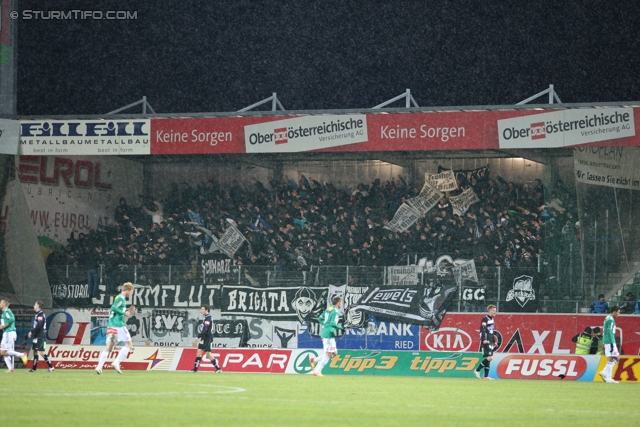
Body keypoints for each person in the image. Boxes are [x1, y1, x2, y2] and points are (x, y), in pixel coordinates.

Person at [95, 282, 136, 375]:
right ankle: (116, 362)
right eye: (131, 292)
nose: (131, 294)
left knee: (109, 347)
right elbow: (113, 308)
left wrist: (128, 311)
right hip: (118, 326)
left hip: (111, 326)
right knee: (129, 345)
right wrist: (124, 313)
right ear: (128, 290)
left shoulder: (119, 298)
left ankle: (99, 367)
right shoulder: (121, 298)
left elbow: (118, 310)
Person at [310, 295, 343, 377]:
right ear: (338, 303)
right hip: (328, 334)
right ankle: (317, 371)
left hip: (326, 332)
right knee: (328, 354)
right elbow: (332, 323)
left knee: (334, 353)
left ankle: (314, 360)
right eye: (341, 302)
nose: (341, 304)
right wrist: (340, 327)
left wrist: (325, 325)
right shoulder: (335, 312)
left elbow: (320, 318)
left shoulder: (329, 309)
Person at [0, 298, 29, 372]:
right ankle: (11, 369)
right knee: (5, 352)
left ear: (4, 304)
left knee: (2, 351)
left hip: (9, 333)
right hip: (7, 333)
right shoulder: (4, 312)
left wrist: (4, 326)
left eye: (1, 303)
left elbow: (12, 319)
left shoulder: (7, 311)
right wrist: (2, 326)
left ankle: (22, 355)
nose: (0, 304)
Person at [191, 305, 222, 373]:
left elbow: (205, 330)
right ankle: (195, 369)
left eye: (202, 309)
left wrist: (198, 336)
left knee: (208, 354)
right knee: (199, 352)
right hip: (204, 337)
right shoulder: (206, 318)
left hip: (208, 338)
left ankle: (218, 368)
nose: (201, 311)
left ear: (206, 310)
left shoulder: (208, 318)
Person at [27, 300, 55, 373]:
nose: (34, 306)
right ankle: (34, 369)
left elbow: (39, 325)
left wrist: (31, 331)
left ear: (38, 306)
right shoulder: (38, 314)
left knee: (41, 352)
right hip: (37, 335)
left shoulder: (41, 314)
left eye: (35, 304)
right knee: (35, 351)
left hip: (40, 335)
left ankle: (51, 366)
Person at [599, 306, 621, 384]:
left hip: (607, 341)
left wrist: (603, 341)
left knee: (613, 358)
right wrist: (613, 342)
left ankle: (605, 373)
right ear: (614, 312)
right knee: (614, 358)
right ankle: (608, 378)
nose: (619, 314)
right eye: (618, 312)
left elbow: (605, 331)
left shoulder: (607, 318)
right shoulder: (610, 320)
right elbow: (609, 332)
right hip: (610, 341)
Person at [474, 304, 497, 380]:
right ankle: (477, 370)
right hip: (486, 340)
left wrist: (494, 341)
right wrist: (484, 339)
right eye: (493, 310)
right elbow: (483, 329)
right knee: (490, 357)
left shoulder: (492, 319)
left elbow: (491, 331)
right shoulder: (485, 319)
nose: (495, 312)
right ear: (489, 311)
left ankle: (486, 376)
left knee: (488, 358)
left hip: (490, 340)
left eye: (495, 310)